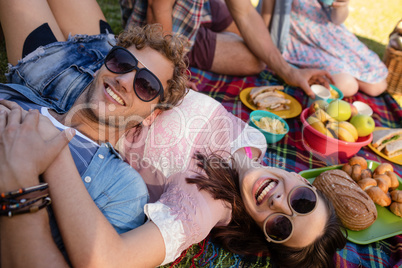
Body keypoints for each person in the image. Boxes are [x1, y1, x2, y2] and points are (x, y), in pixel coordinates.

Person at [0, 0, 346, 267]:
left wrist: (56, 144)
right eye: (302, 202)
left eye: (281, 228)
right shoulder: (253, 145)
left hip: (71, 86)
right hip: (117, 60)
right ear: (304, 181)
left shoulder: (206, 205)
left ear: (263, 236)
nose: (279, 204)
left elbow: (106, 259)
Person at [120, 0, 334, 98]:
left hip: (201, 5)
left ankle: (201, 30)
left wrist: (289, 71)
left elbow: (246, 14)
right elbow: (157, 9)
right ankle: (182, 47)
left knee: (253, 44)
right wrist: (171, 71)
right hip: (162, 20)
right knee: (254, 60)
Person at [267, 0, 388, 97]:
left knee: (377, 86)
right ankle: (309, 76)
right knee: (347, 85)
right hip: (298, 39)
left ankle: (348, 72)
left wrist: (342, 5)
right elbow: (265, 19)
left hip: (328, 34)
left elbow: (337, 19)